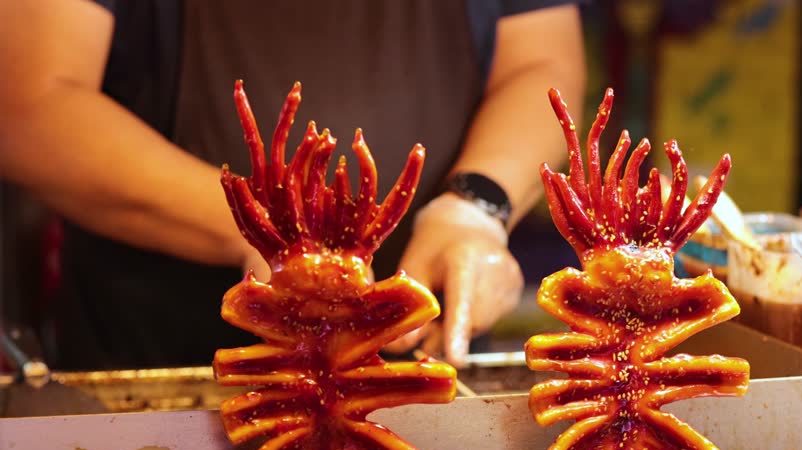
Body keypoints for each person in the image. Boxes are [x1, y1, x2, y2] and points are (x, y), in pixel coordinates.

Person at [0, 0, 586, 369]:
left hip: (425, 356)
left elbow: (542, 65)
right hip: (159, 358)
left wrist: (477, 206)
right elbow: (28, 106)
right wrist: (253, 227)